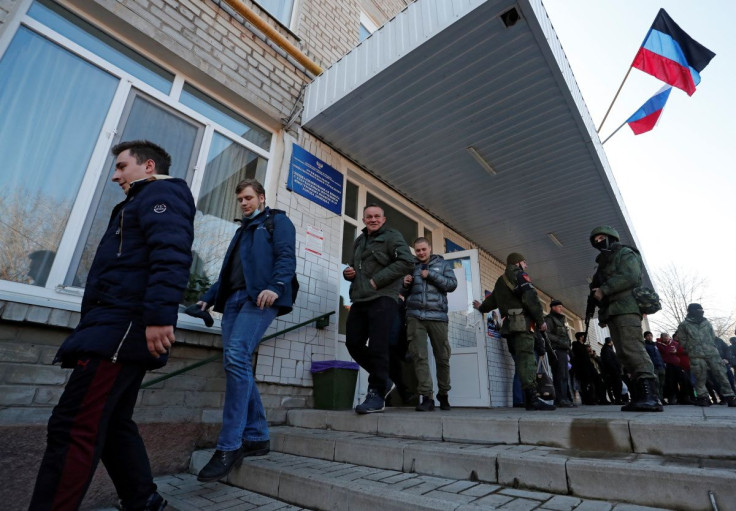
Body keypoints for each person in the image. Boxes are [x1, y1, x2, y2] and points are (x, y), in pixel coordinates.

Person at [29, 140, 195, 511]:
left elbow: (171, 254)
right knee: (115, 423)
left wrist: (158, 317)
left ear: (148, 166)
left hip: (121, 330)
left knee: (73, 427)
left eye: (121, 167)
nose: (115, 176)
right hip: (115, 326)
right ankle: (143, 501)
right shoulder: (138, 202)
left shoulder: (161, 194)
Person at [196, 179, 296, 482]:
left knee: (237, 356)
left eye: (249, 197)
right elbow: (228, 272)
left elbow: (286, 257)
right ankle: (257, 436)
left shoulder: (277, 221)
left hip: (261, 298)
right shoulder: (241, 231)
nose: (244, 203)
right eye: (240, 198)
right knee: (235, 362)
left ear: (261, 198)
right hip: (234, 300)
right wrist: (208, 298)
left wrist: (276, 286)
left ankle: (229, 445)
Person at [343, 204, 414, 414]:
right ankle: (384, 380)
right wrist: (350, 273)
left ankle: (376, 393)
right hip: (360, 298)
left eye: (377, 216)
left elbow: (406, 262)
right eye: (368, 217)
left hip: (384, 297)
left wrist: (376, 281)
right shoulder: (359, 241)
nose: (373, 219)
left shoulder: (392, 236)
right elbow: (355, 267)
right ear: (364, 220)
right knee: (353, 343)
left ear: (383, 219)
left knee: (378, 345)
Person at [588, 225, 662, 412]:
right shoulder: (603, 262)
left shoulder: (625, 253)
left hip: (626, 307)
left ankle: (651, 396)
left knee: (633, 348)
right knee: (623, 353)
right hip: (613, 311)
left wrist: (603, 290)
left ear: (612, 238)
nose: (598, 242)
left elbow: (630, 275)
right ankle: (638, 395)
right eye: (595, 240)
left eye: (601, 238)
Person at [473, 253, 554, 410]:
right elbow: (531, 299)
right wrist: (540, 321)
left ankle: (527, 399)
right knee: (527, 360)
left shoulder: (500, 280)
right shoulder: (520, 275)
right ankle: (532, 400)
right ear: (517, 263)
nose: (526, 265)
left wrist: (481, 307)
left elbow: (491, 301)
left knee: (520, 362)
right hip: (523, 325)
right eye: (524, 262)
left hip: (509, 328)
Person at [402, 237, 458, 411]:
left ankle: (444, 394)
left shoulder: (443, 265)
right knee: (419, 357)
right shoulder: (411, 266)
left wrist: (431, 275)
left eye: (423, 249)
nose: (421, 253)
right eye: (418, 250)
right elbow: (401, 291)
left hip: (438, 316)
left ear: (430, 248)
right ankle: (427, 397)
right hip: (415, 316)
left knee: (442, 357)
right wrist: (404, 284)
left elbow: (452, 285)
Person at [674, 304, 736, 407]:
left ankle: (730, 397)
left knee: (721, 374)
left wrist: (710, 346)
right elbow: (682, 340)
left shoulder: (706, 323)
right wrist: (691, 349)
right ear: (691, 311)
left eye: (701, 310)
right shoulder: (684, 325)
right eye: (698, 310)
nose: (701, 312)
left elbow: (712, 336)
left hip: (712, 353)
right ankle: (703, 398)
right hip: (696, 354)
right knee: (700, 376)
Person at [544, 300, 574, 407]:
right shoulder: (549, 319)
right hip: (556, 350)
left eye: (562, 306)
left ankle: (566, 398)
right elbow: (547, 334)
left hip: (563, 350)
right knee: (559, 375)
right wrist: (561, 342)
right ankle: (560, 399)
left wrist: (568, 345)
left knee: (565, 376)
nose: (561, 309)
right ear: (553, 307)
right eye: (559, 307)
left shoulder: (561, 320)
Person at [600, 337, 623, 404]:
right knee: (616, 385)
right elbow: (609, 361)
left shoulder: (608, 349)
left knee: (616, 385)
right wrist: (615, 369)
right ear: (610, 342)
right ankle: (617, 400)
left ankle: (617, 399)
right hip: (613, 372)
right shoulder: (607, 349)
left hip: (613, 371)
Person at [644, 331, 666, 401]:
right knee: (656, 383)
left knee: (662, 383)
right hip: (653, 367)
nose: (649, 337)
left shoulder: (655, 345)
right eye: (648, 336)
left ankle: (661, 398)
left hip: (660, 366)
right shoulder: (645, 345)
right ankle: (658, 398)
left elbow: (659, 355)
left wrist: (663, 364)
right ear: (645, 337)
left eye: (650, 335)